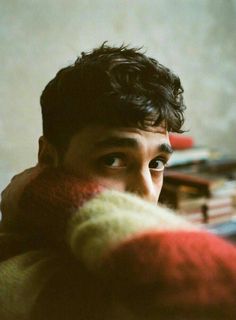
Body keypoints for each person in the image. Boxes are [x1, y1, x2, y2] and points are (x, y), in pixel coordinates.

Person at [4, 43, 235, 320]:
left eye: (156, 164)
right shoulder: (24, 270)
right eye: (113, 160)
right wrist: (40, 189)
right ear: (48, 157)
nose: (146, 191)